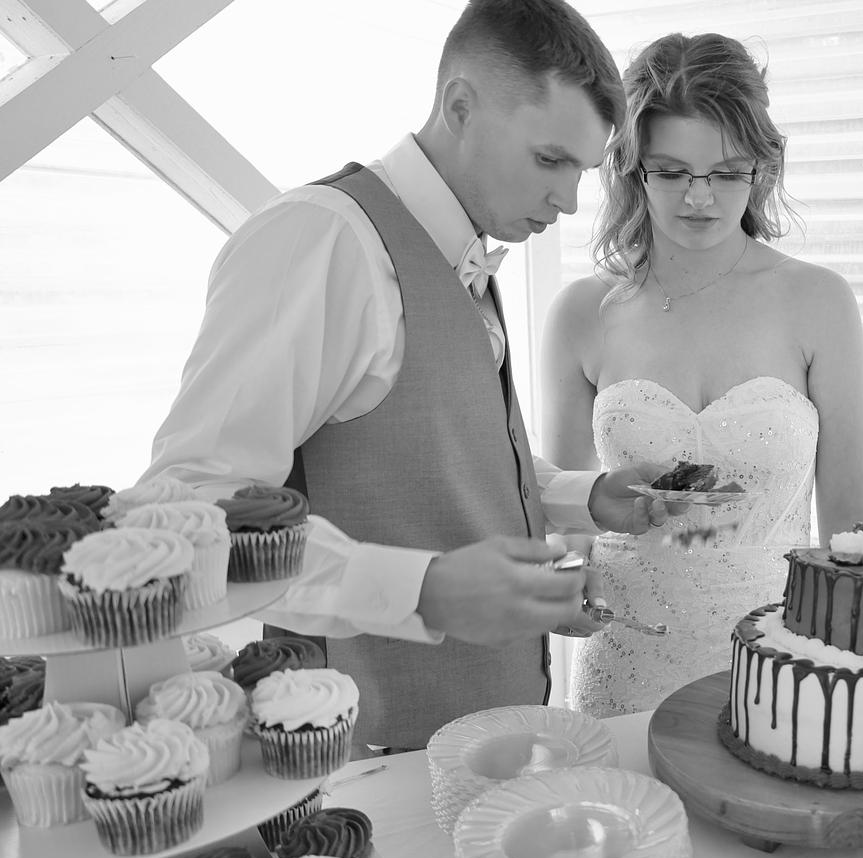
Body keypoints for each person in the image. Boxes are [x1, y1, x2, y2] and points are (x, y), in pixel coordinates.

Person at [143, 0, 667, 751]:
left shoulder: (459, 248)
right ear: (460, 106)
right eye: (549, 160)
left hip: (489, 739)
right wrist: (422, 590)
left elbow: (431, 460)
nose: (569, 200)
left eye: (580, 171)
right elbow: (189, 507)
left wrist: (585, 497)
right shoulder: (324, 240)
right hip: (361, 754)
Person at [539, 33, 863, 718]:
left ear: (762, 167)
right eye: (671, 172)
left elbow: (849, 515)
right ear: (631, 169)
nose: (700, 198)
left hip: (779, 670)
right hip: (624, 666)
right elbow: (567, 511)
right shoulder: (581, 313)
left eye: (726, 173)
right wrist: (567, 578)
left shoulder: (819, 301)